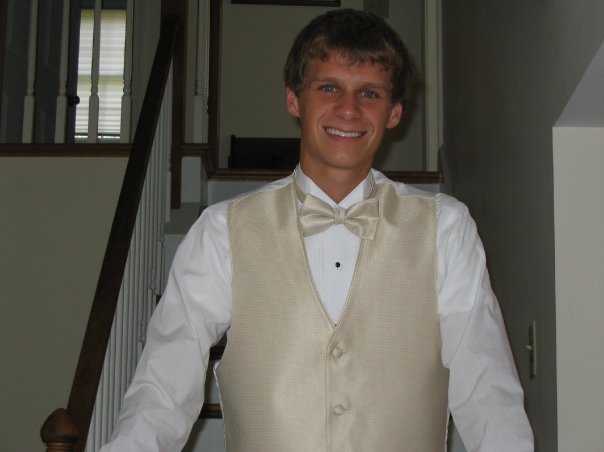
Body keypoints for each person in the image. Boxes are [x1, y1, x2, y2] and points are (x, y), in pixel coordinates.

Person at [101, 9, 533, 452]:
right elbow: (163, 387)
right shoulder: (221, 231)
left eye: (369, 93)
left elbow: (487, 391)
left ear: (394, 113)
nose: (348, 109)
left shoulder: (446, 229)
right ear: (294, 99)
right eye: (329, 87)